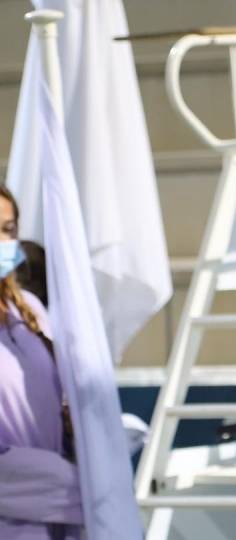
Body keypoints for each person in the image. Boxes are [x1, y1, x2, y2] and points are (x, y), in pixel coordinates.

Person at [0, 186, 83, 539]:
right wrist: (77, 484)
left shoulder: (30, 308)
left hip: (57, 519)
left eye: (8, 229)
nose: (3, 241)